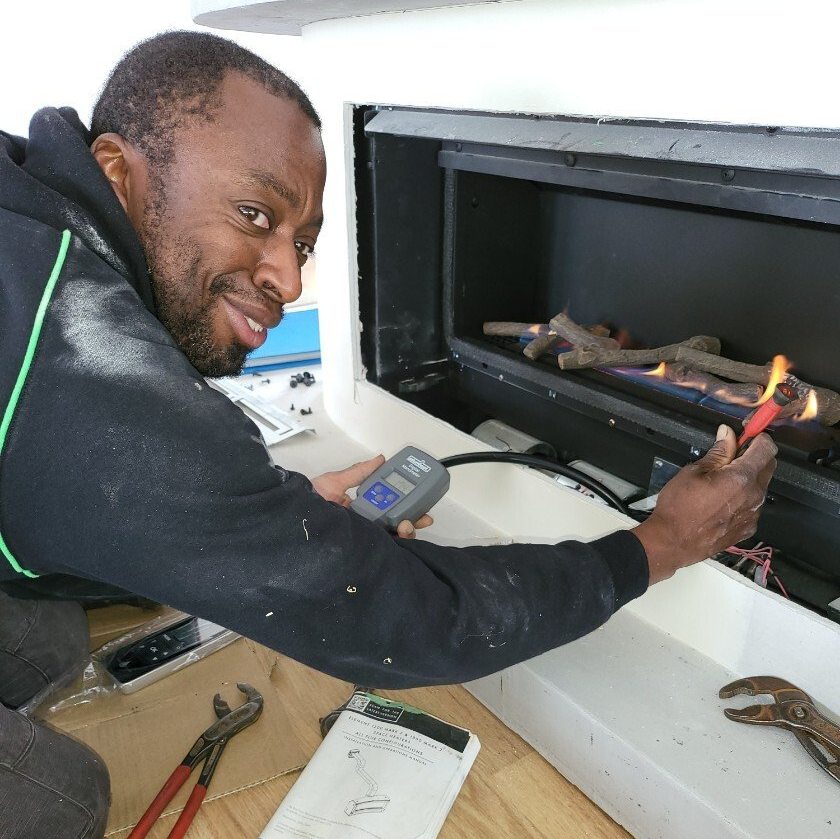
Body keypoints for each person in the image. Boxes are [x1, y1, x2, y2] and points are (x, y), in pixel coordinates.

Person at [0, 31, 776, 838]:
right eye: (254, 213)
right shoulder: (88, 360)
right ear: (118, 168)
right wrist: (659, 545)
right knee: (60, 798)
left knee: (49, 638)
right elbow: (399, 620)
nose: (291, 279)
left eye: (302, 242)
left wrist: (249, 520)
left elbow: (73, 482)